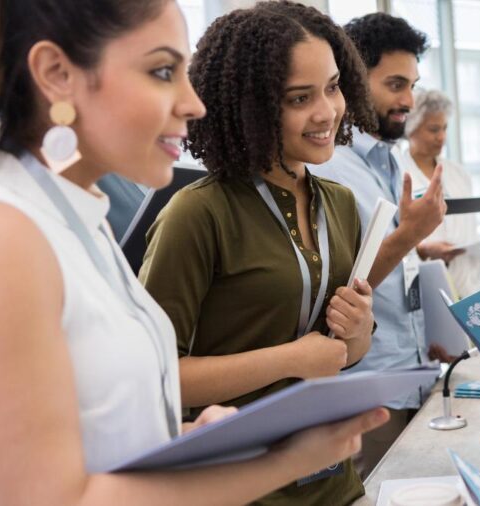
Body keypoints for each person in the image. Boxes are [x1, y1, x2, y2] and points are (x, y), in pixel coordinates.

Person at [0, 1, 388, 505]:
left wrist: (185, 434)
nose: (194, 103)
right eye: (161, 71)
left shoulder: (80, 216)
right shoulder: (7, 234)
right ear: (57, 74)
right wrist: (282, 461)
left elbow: (101, 427)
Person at [138, 3, 378, 504]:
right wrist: (292, 359)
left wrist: (357, 333)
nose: (326, 112)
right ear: (250, 106)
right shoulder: (198, 214)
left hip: (336, 484)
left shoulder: (340, 203)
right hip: (241, 488)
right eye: (298, 98)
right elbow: (157, 377)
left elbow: (342, 355)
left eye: (333, 87)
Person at [311, 13, 446, 477]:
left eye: (412, 84)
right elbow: (336, 293)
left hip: (410, 373)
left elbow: (392, 269)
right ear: (352, 79)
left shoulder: (387, 161)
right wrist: (410, 234)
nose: (409, 100)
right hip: (366, 388)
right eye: (394, 84)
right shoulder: (329, 168)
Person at [399, 88, 480, 298]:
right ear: (411, 129)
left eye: (445, 128)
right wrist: (423, 250)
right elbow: (396, 240)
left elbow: (467, 233)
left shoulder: (459, 174)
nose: (441, 137)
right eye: (433, 129)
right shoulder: (400, 176)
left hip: (472, 289)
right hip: (428, 291)